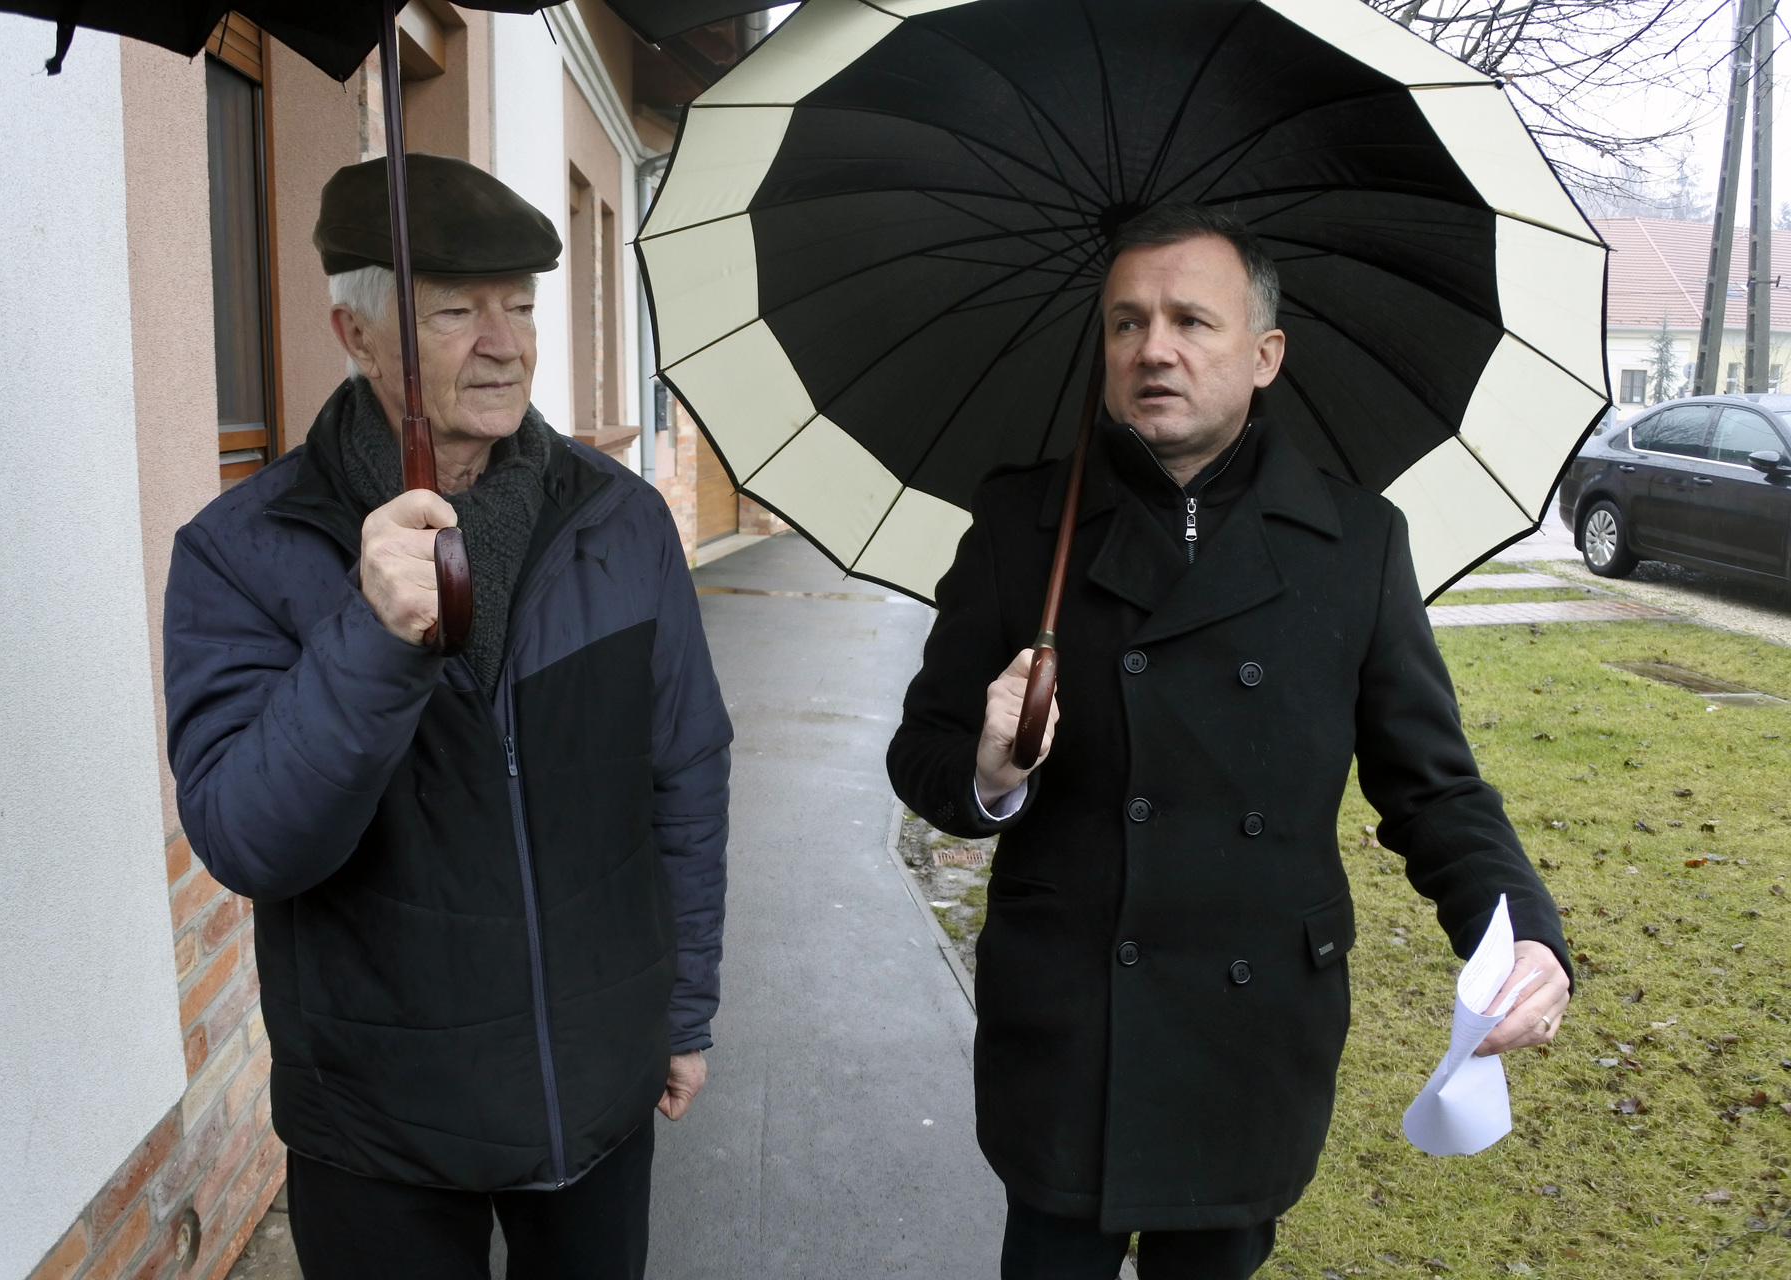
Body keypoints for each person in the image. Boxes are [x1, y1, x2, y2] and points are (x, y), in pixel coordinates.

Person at [887, 205, 1571, 1280]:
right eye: (1126, 322)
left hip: (1248, 1038)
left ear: (1264, 355)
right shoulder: (1024, 527)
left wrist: (1522, 930)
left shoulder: (1356, 543)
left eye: (1190, 321)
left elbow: (1433, 789)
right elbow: (920, 753)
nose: (1152, 348)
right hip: (1073, 1026)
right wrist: (990, 769)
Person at [163, 153, 731, 1279]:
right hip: (377, 1124)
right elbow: (249, 840)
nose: (507, 343)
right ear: (357, 333)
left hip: (595, 1085)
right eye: (456, 312)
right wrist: (373, 637)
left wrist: (682, 1009)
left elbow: (687, 773)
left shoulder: (620, 522)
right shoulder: (241, 552)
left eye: (522, 305)